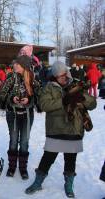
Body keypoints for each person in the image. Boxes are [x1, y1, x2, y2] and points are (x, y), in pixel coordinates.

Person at [25, 61, 97, 198]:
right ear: (55, 76)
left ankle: (69, 184)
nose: (62, 78)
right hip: (55, 129)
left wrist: (82, 97)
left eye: (64, 74)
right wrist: (64, 101)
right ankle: (38, 182)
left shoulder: (77, 85)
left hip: (74, 129)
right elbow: (45, 105)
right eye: (59, 76)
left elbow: (93, 104)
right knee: (47, 158)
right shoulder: (49, 87)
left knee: (70, 160)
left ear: (67, 72)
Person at [0, 55, 39, 179]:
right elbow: (2, 93)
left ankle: (23, 168)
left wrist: (29, 99)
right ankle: (12, 167)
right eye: (15, 63)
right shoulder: (11, 77)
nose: (15, 65)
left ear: (24, 66)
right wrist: (12, 98)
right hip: (13, 115)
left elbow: (39, 96)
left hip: (27, 115)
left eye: (18, 64)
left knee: (24, 142)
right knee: (13, 140)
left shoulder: (32, 78)